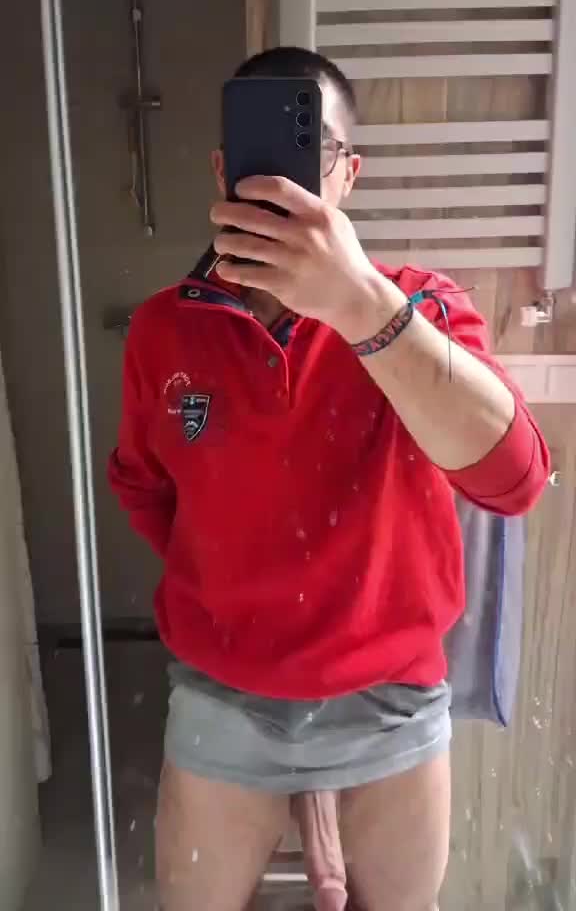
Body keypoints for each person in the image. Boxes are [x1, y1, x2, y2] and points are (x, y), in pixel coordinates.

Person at [109, 47, 549, 911]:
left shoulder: (425, 308)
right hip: (224, 693)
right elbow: (145, 489)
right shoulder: (165, 330)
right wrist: (242, 585)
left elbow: (514, 481)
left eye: (315, 153)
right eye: (259, 156)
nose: (284, 180)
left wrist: (362, 309)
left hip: (391, 699)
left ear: (349, 174)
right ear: (222, 172)